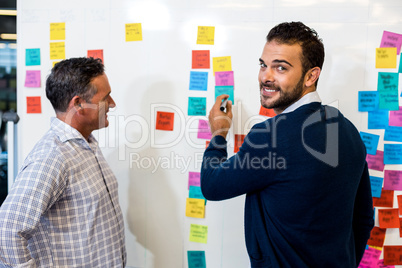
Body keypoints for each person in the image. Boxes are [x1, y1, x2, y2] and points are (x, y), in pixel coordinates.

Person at [201, 22, 374, 267]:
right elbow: (364, 218)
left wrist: (218, 134)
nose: (266, 77)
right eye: (263, 65)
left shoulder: (269, 136)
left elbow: (212, 185)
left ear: (311, 76)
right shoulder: (347, 130)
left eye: (280, 68)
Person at [0, 57, 126, 267]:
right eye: (106, 98)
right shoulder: (51, 157)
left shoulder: (87, 143)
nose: (112, 104)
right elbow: (6, 229)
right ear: (78, 104)